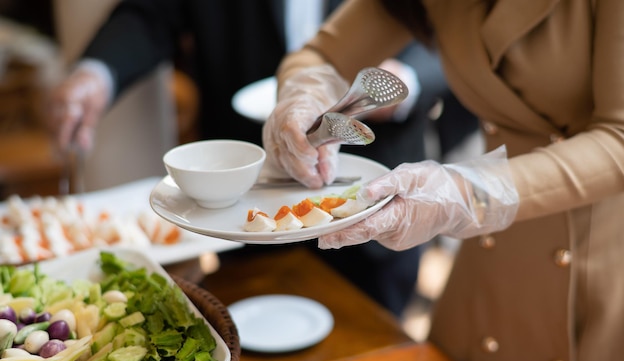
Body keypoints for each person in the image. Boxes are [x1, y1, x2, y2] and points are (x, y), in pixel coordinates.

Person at [261, 0, 624, 361]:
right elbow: (321, 56)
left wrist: (468, 192)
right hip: (494, 252)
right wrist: (302, 95)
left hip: (601, 259)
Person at [48, 0, 478, 317]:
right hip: (248, 202)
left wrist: (407, 79)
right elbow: (151, 11)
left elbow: (454, 27)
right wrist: (96, 72)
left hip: (371, 191)